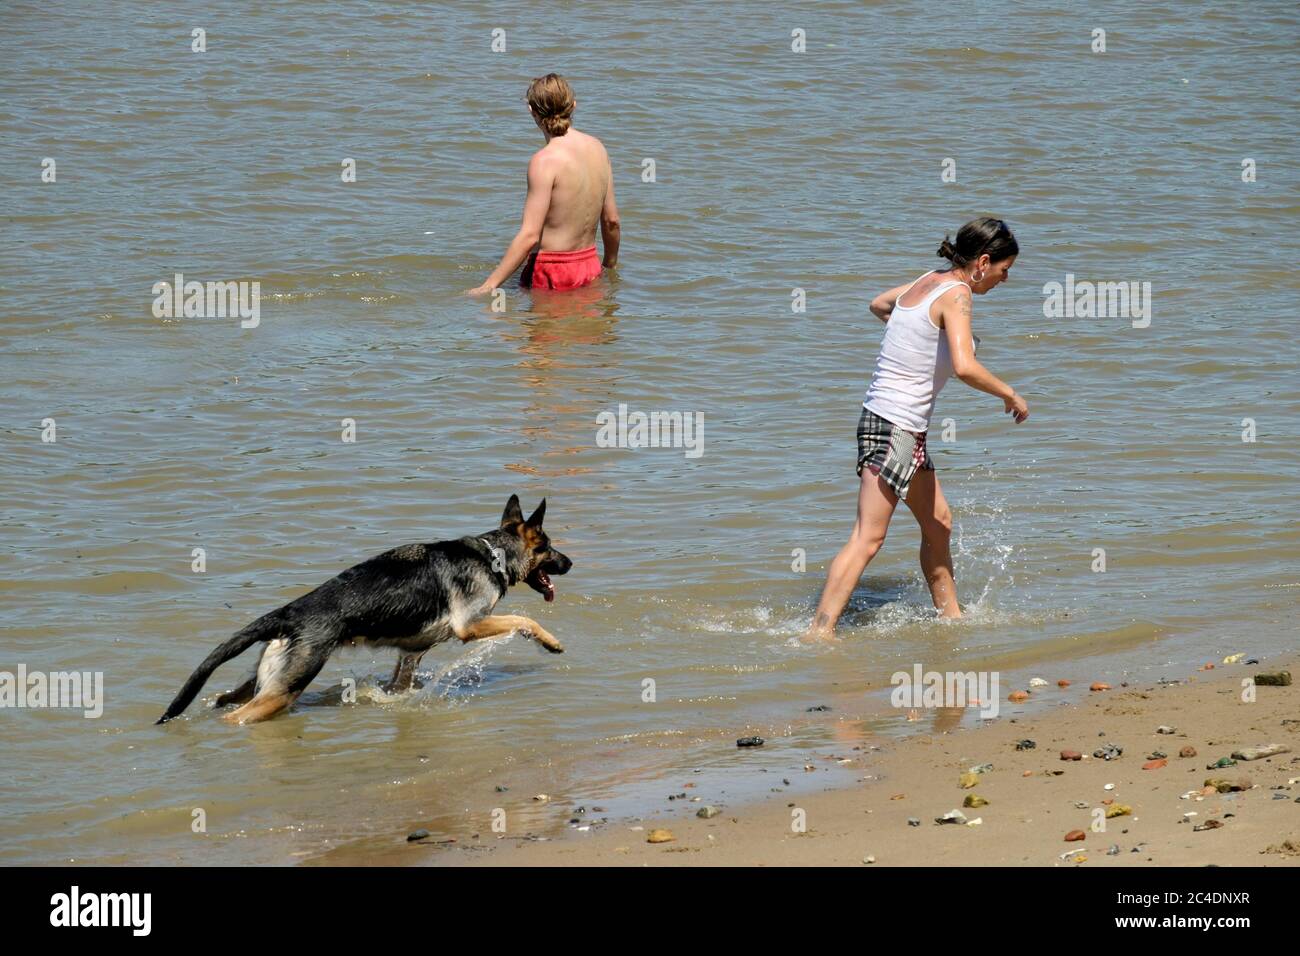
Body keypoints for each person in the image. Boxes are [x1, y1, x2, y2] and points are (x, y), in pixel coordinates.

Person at [802, 217, 1028, 642]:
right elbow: (964, 367)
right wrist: (1009, 394)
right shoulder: (957, 294)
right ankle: (819, 632)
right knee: (868, 537)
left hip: (894, 424)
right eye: (1004, 270)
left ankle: (951, 618)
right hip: (895, 427)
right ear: (983, 262)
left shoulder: (930, 279)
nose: (1005, 279)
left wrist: (919, 343)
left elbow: (880, 305)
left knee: (939, 522)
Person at [467, 74, 620, 295]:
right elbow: (612, 221)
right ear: (573, 106)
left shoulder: (544, 161)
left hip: (552, 272)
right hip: (590, 266)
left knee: (544, 329)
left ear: (532, 111)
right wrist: (609, 265)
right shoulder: (598, 148)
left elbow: (529, 235)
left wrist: (488, 286)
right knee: (587, 330)